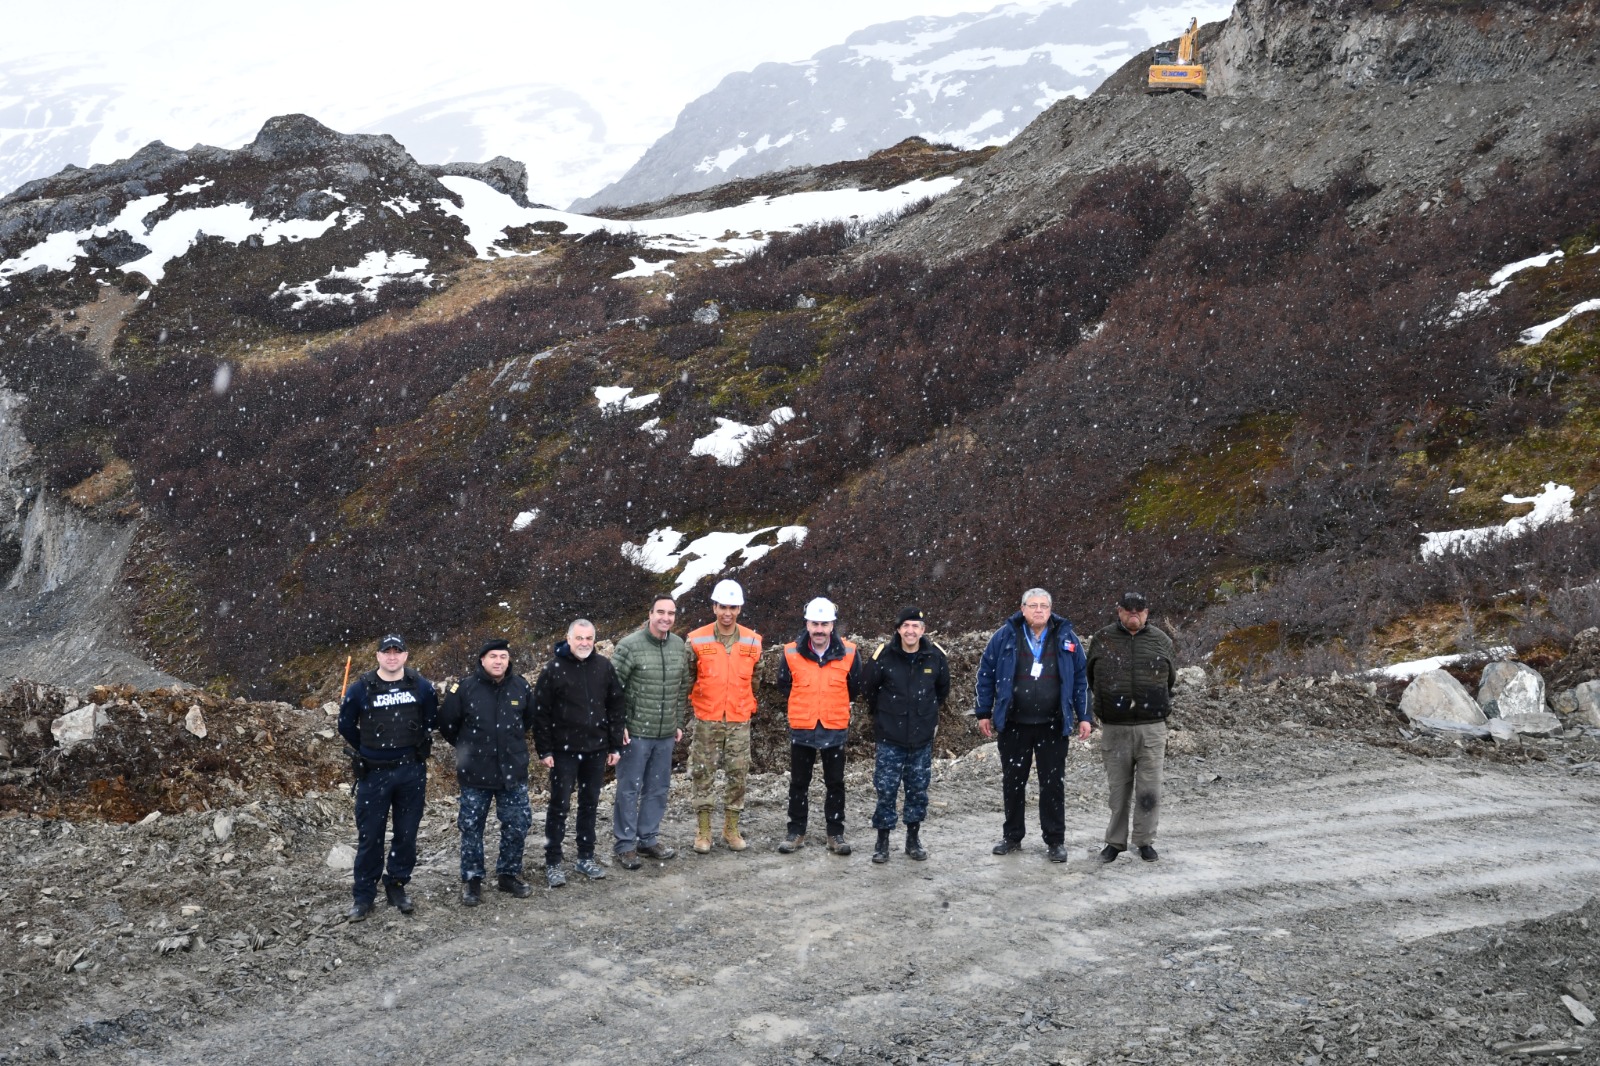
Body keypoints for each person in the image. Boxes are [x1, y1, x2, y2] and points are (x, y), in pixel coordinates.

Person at [974, 588, 1091, 863]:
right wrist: (983, 711)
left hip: (1053, 724)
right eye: (1033, 605)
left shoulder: (1066, 637)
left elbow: (1081, 679)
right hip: (1015, 724)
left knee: (1052, 785)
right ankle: (1012, 836)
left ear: (1050, 610)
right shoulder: (1004, 637)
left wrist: (1084, 715)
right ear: (1022, 608)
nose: (1038, 610)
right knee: (1013, 783)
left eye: (1043, 606)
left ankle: (1055, 841)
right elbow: (986, 674)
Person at [337, 634, 438, 920]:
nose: (392, 657)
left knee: (406, 834)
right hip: (374, 774)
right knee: (370, 837)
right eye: (387, 652)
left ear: (405, 656)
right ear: (378, 656)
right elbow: (345, 725)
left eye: (398, 652)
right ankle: (364, 896)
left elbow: (430, 720)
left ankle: (396, 885)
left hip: (411, 772)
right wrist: (371, 750)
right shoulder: (360, 689)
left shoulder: (421, 686)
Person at [438, 638, 536, 906]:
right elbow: (447, 723)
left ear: (508, 660)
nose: (498, 661)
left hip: (512, 772)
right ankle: (472, 880)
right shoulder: (464, 688)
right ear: (482, 660)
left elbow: (528, 720)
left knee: (517, 824)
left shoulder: (521, 686)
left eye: (502, 656)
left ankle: (508, 874)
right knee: (471, 828)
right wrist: (470, 749)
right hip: (475, 773)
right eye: (492, 656)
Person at [532, 619, 626, 886]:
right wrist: (545, 749)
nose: (584, 643)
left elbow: (616, 705)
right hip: (563, 752)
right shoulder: (553, 669)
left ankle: (585, 857)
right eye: (579, 638)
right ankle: (553, 862)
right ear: (568, 638)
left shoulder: (603, 667)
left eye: (589, 638)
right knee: (559, 807)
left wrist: (615, 744)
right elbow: (541, 713)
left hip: (596, 750)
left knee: (589, 804)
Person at [1085, 592, 1176, 864]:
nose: (1133, 614)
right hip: (1115, 728)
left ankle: (1145, 842)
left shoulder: (1161, 640)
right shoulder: (1102, 640)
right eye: (1128, 609)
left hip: (1151, 728)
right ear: (1119, 611)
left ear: (1147, 612)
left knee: (1149, 791)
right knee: (1118, 790)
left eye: (1139, 609)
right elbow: (1091, 677)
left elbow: (1170, 680)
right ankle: (1114, 843)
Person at [775, 597, 864, 856]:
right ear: (807, 623)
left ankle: (835, 834)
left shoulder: (849, 652)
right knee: (799, 783)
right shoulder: (791, 652)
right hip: (802, 727)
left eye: (824, 624)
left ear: (832, 625)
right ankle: (796, 832)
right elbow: (784, 684)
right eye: (815, 623)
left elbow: (854, 687)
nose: (819, 629)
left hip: (834, 728)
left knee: (835, 783)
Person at [862, 607, 950, 864]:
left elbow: (942, 690)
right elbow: (868, 688)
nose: (910, 631)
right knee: (886, 790)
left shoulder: (935, 657)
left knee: (917, 790)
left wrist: (924, 715)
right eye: (906, 626)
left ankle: (913, 840)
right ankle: (882, 841)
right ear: (898, 629)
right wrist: (886, 714)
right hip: (890, 738)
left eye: (916, 626)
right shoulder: (884, 656)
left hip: (921, 739)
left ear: (923, 630)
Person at [610, 595, 692, 870]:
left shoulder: (679, 645)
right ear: (650, 613)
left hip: (665, 733)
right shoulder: (629, 646)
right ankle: (625, 844)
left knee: (658, 789)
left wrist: (678, 722)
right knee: (629, 789)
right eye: (660, 612)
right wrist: (618, 724)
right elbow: (612, 690)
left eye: (670, 613)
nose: (665, 618)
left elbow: (682, 687)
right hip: (635, 733)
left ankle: (647, 838)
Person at [685, 578, 762, 854]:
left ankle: (731, 828)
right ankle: (703, 831)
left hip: (739, 720)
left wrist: (743, 704)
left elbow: (756, 679)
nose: (727, 613)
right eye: (722, 607)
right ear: (714, 607)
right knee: (702, 774)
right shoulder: (696, 639)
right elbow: (689, 677)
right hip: (707, 719)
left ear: (739, 609)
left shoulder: (754, 641)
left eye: (732, 607)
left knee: (737, 773)